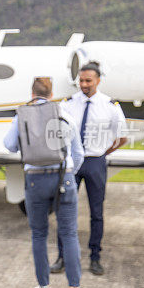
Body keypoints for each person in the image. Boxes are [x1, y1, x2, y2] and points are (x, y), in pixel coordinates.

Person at [4, 77, 88, 288]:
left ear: (32, 93)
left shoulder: (21, 116)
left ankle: (44, 287)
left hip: (35, 180)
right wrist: (70, 173)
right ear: (51, 94)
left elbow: (9, 145)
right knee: (69, 233)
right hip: (64, 177)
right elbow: (78, 152)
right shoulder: (64, 113)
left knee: (39, 234)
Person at [51, 61, 127, 276]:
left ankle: (95, 257)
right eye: (81, 81)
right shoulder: (67, 104)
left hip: (95, 162)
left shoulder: (110, 105)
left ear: (98, 81)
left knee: (96, 212)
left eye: (88, 81)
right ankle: (62, 256)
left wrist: (103, 153)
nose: (84, 84)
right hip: (71, 163)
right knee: (65, 211)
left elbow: (121, 137)